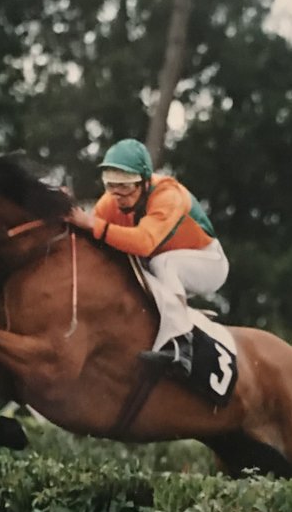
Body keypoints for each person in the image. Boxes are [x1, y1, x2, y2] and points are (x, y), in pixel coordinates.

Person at [67, 139, 228, 377]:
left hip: (208, 263)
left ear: (144, 181)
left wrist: (91, 223)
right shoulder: (111, 201)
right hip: (161, 264)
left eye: (125, 187)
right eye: (111, 185)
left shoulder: (168, 195)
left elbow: (144, 243)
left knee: (162, 263)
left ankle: (181, 343)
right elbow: (91, 237)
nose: (118, 196)